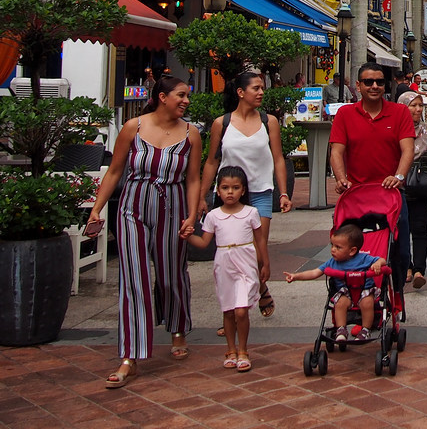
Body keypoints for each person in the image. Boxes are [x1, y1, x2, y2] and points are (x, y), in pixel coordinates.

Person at [86, 75, 202, 388]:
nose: (185, 101)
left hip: (173, 203)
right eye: (180, 95)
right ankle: (130, 356)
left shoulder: (191, 133)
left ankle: (177, 325)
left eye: (187, 96)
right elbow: (114, 172)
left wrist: (192, 215)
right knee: (133, 277)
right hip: (132, 205)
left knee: (170, 272)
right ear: (162, 97)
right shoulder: (132, 128)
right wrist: (97, 208)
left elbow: (193, 179)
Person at [197, 70, 291, 319]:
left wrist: (283, 192)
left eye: (262, 88)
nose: (261, 92)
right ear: (241, 92)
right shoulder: (222, 123)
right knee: (230, 254)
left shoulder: (268, 121)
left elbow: (278, 158)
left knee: (259, 251)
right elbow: (211, 161)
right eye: (256, 88)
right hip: (229, 196)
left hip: (260, 191)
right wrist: (202, 196)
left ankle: (258, 287)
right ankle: (233, 315)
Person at [329, 63, 416, 288]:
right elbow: (336, 152)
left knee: (400, 252)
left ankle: (395, 298)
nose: (374, 86)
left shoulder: (399, 112)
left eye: (379, 81)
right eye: (368, 82)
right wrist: (341, 178)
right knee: (352, 250)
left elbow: (408, 149)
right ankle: (353, 296)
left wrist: (398, 176)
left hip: (392, 196)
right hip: (357, 197)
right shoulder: (345, 114)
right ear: (358, 85)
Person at [186, 165, 267, 372]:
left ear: (243, 190)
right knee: (229, 310)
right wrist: (187, 237)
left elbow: (260, 240)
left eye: (235, 187)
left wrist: (264, 264)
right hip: (224, 264)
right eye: (225, 187)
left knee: (241, 310)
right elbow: (204, 243)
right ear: (218, 190)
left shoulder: (251, 213)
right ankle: (231, 350)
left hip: (246, 263)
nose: (230, 192)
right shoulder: (214, 216)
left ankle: (243, 349)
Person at [284, 224, 385, 342]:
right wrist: (296, 276)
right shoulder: (332, 263)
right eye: (332, 245)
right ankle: (341, 329)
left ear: (352, 251)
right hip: (345, 292)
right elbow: (314, 272)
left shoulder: (364, 258)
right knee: (340, 303)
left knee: (367, 303)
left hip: (364, 291)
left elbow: (382, 260)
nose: (333, 249)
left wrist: (378, 264)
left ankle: (366, 329)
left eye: (338, 247)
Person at [395, 91, 427, 290]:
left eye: (420, 105)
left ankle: (419, 270)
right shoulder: (394, 131)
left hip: (422, 187)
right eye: (413, 105)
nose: (417, 109)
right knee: (401, 231)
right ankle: (406, 267)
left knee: (420, 229)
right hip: (399, 188)